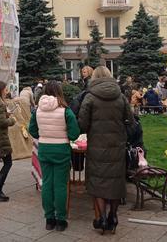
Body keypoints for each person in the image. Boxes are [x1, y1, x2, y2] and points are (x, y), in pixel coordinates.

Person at [78, 66, 133, 235]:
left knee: (98, 182)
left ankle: (101, 218)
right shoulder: (121, 96)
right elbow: (130, 120)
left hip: (97, 146)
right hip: (117, 146)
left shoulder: (90, 97)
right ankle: (113, 217)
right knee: (116, 182)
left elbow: (82, 123)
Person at [28, 81, 80, 232]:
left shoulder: (37, 110)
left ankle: (49, 219)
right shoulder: (66, 111)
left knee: (47, 184)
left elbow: (32, 129)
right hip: (61, 150)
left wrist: (43, 135)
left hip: (44, 149)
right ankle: (61, 220)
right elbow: (74, 134)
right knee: (60, 185)